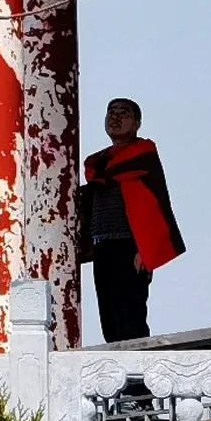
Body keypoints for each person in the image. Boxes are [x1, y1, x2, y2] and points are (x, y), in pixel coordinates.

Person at [77, 96, 184, 343]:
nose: (115, 117)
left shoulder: (143, 154)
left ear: (137, 123)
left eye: (123, 113)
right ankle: (117, 371)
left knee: (131, 313)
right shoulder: (98, 162)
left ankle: (136, 375)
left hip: (130, 246)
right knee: (108, 313)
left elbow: (152, 205)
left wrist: (144, 249)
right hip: (101, 244)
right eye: (110, 112)